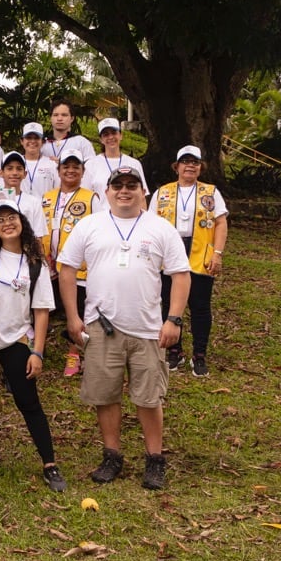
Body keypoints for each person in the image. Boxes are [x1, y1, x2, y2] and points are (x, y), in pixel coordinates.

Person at [58, 167, 190, 490]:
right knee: (105, 394)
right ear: (107, 191)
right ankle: (112, 455)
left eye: (132, 185)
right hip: (102, 326)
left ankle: (155, 459)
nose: (125, 191)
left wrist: (173, 319)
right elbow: (67, 269)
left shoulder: (161, 228)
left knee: (148, 397)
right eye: (118, 185)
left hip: (148, 328)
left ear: (142, 191)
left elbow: (181, 275)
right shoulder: (90, 225)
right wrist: (73, 318)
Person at [0, 201, 65, 492]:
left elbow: (42, 310)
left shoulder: (34, 263)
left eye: (12, 218)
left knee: (28, 401)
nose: (7, 223)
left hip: (15, 338)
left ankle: (49, 463)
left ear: (22, 221)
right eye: (0, 219)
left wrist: (38, 352)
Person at [149, 145, 228, 377]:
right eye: (185, 162)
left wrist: (218, 253)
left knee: (200, 306)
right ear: (177, 167)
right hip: (169, 253)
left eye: (194, 162)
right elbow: (150, 225)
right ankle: (175, 350)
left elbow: (221, 223)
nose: (190, 166)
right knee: (170, 303)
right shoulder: (162, 193)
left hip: (200, 252)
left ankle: (199, 354)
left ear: (200, 167)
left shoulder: (211, 192)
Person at [44, 148, 104, 376]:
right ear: (58, 170)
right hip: (49, 264)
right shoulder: (48, 197)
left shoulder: (91, 198)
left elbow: (98, 230)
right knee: (46, 306)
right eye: (66, 166)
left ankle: (74, 354)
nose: (70, 171)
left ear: (82, 171)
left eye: (75, 167)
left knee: (77, 309)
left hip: (79, 266)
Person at [83, 118, 148, 195]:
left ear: (120, 135)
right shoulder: (91, 164)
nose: (110, 137)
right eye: (106, 134)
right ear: (101, 139)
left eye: (114, 133)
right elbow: (85, 195)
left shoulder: (134, 164)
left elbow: (142, 196)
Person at [0, 152, 49, 239]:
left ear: (25, 174)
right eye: (9, 168)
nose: (14, 173)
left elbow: (38, 238)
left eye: (19, 169)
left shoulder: (34, 202)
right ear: (1, 173)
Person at [20, 122, 59, 199]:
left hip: (45, 209)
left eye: (36, 138)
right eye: (29, 138)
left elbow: (58, 190)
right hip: (19, 209)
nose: (32, 141)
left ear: (43, 142)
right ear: (22, 141)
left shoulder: (52, 165)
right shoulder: (13, 163)